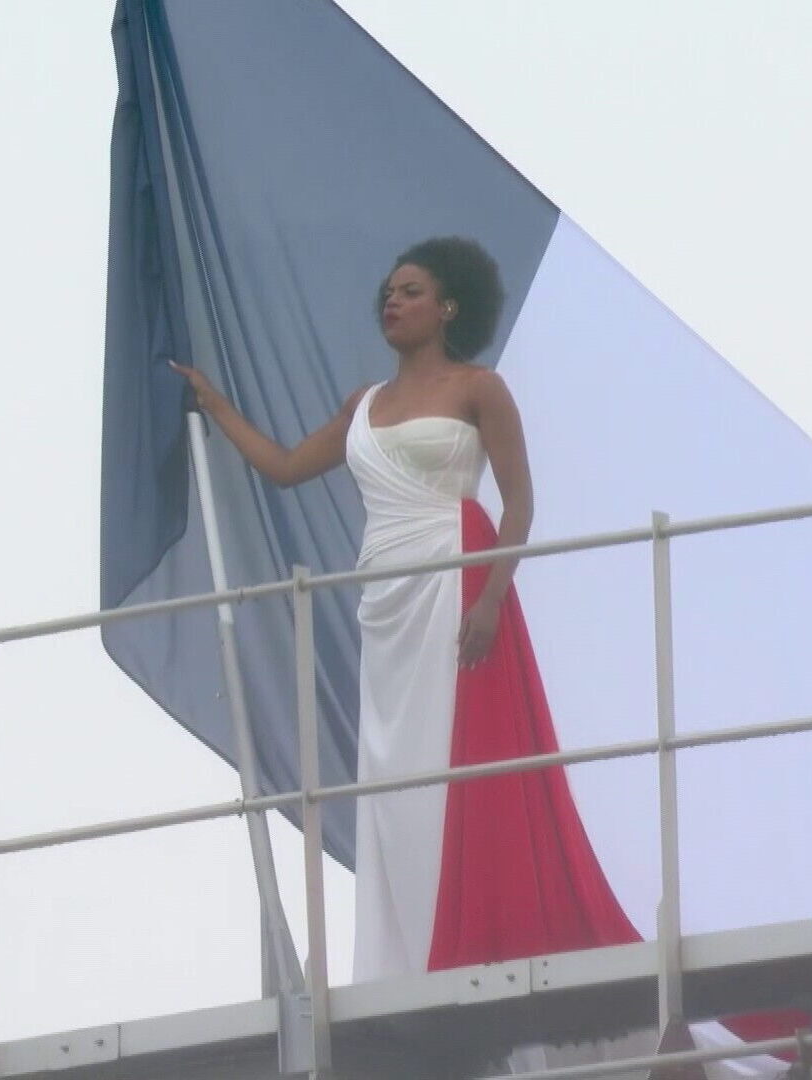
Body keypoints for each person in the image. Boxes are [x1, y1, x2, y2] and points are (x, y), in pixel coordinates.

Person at [172, 236, 636, 984]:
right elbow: (288, 467)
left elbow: (518, 503)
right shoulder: (363, 404)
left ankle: (480, 944)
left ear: (448, 306)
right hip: (385, 591)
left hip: (456, 575)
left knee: (465, 762)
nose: (392, 300)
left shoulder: (477, 388)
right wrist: (215, 405)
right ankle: (411, 952)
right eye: (388, 290)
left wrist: (489, 597)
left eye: (411, 290)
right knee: (399, 772)